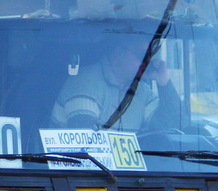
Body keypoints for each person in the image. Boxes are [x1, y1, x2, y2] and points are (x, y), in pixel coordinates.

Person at [51, 36, 180, 131]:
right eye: (142, 55)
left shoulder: (141, 90)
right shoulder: (85, 83)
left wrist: (164, 84)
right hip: (78, 167)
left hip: (121, 167)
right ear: (119, 54)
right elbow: (85, 139)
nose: (147, 62)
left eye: (149, 57)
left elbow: (171, 126)